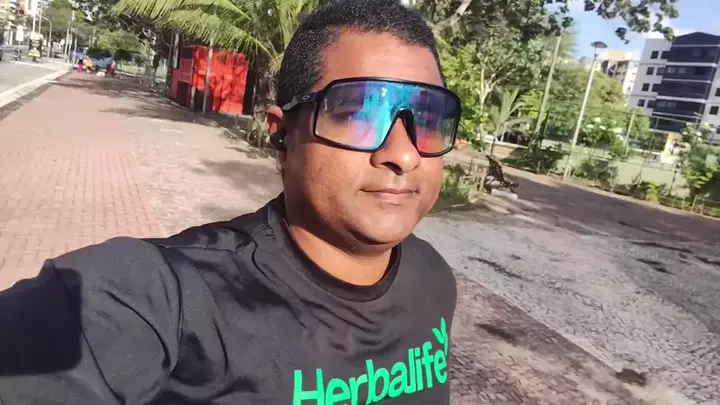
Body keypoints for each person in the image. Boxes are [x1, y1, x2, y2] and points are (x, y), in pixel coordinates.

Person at [0, 0, 460, 404]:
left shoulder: (434, 279)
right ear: (283, 138)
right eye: (358, 112)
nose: (404, 154)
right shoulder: (176, 298)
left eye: (427, 117)